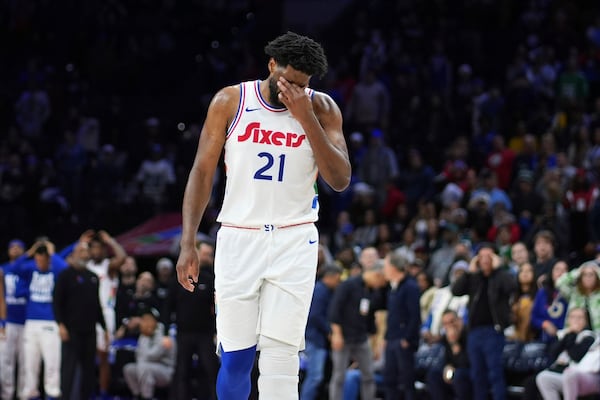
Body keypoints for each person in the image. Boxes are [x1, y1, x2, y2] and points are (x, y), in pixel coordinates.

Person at [175, 31, 351, 400]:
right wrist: (188, 241)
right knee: (236, 357)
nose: (294, 93)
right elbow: (202, 172)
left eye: (303, 86)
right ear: (271, 66)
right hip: (240, 235)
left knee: (281, 358)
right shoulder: (230, 100)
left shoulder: (321, 108)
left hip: (294, 238)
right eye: (288, 82)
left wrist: (307, 119)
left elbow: (340, 179)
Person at [451, 243, 517, 400]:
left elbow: (512, 287)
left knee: (495, 372)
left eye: (489, 256)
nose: (485, 260)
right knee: (477, 374)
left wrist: (499, 268)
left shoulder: (501, 276)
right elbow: (456, 290)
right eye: (481, 256)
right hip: (474, 332)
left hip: (493, 331)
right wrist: (469, 272)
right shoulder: (474, 278)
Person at [53, 240, 108, 400]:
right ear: (74, 254)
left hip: (90, 331)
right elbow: (57, 302)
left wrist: (104, 328)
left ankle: (86, 396)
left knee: (88, 368)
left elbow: (97, 305)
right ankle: (65, 396)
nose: (84, 254)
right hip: (71, 330)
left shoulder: (93, 277)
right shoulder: (65, 275)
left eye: (86, 251)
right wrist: (61, 325)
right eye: (81, 251)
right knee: (69, 368)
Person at [15, 240, 69, 400]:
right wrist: (29, 252)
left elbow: (65, 270)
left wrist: (52, 252)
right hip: (31, 322)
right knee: (30, 363)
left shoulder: (55, 271)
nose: (39, 261)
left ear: (48, 258)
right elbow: (13, 268)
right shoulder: (30, 269)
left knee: (52, 362)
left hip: (50, 322)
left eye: (42, 258)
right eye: (36, 258)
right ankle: (30, 393)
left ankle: (52, 393)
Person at [327, 262, 387, 400]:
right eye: (382, 281)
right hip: (344, 337)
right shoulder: (348, 285)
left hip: (361, 338)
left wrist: (375, 343)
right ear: (377, 275)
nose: (382, 285)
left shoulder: (371, 291)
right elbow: (334, 310)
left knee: (369, 375)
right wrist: (336, 334)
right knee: (339, 376)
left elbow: (370, 318)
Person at [168, 241, 219, 400]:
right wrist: (164, 332)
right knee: (182, 371)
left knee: (211, 370)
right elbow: (168, 306)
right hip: (184, 333)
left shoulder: (212, 279)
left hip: (206, 333)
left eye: (210, 255)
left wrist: (218, 331)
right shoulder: (179, 277)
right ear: (196, 252)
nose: (208, 257)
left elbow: (217, 308)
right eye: (205, 253)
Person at [86, 229, 127, 399]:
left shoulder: (108, 266)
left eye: (99, 248)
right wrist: (81, 242)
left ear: (103, 250)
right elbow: (68, 261)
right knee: (86, 356)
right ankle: (87, 391)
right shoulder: (85, 266)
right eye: (92, 248)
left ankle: (103, 393)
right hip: (87, 314)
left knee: (103, 358)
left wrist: (110, 240)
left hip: (106, 313)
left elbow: (122, 258)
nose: (96, 251)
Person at [535, 307, 600, 400]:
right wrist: (568, 334)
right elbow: (552, 353)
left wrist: (571, 335)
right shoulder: (565, 334)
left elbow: (576, 355)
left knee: (570, 375)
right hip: (564, 374)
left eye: (580, 317)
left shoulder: (589, 336)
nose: (576, 321)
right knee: (542, 377)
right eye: (573, 317)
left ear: (586, 320)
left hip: (585, 376)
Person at [300, 263, 342, 400]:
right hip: (314, 339)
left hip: (315, 338)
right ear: (331, 277)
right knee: (315, 377)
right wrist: (329, 331)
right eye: (338, 278)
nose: (339, 281)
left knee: (315, 376)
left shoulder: (323, 290)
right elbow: (315, 315)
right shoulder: (320, 290)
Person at [382, 252, 421, 400]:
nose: (383, 269)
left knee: (407, 381)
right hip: (392, 338)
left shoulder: (410, 286)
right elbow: (392, 316)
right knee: (389, 380)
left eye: (385, 265)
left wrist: (407, 338)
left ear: (393, 267)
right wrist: (386, 337)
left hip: (403, 340)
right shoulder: (393, 287)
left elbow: (415, 315)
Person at [123, 307, 176, 400]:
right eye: (143, 320)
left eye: (146, 319)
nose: (143, 323)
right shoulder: (145, 334)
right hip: (149, 367)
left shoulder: (164, 333)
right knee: (129, 369)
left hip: (166, 370)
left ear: (154, 320)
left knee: (144, 368)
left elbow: (152, 356)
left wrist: (145, 337)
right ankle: (138, 395)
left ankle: (147, 397)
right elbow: (138, 356)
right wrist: (145, 336)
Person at [0, 239, 28, 400]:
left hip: (26, 321)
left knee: (25, 363)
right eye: (12, 247)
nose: (15, 249)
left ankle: (23, 395)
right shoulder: (3, 269)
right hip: (7, 321)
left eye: (19, 247)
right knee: (5, 361)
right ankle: (6, 395)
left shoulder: (29, 269)